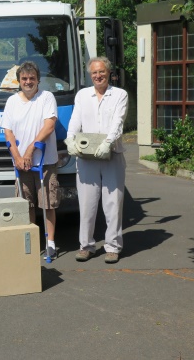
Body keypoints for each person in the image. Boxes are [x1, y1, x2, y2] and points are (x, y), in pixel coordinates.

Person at [65, 56, 128, 264]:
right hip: (86, 157)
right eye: (94, 73)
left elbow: (118, 123)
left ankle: (113, 246)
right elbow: (75, 120)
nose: (98, 76)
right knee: (87, 203)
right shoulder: (83, 95)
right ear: (90, 75)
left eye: (102, 72)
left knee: (113, 203)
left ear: (108, 73)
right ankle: (86, 246)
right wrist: (70, 139)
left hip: (113, 155)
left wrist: (108, 143)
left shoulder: (120, 95)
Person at [1, 61, 60, 260]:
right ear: (18, 81)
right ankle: (31, 240)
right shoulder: (12, 102)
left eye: (32, 78)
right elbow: (7, 132)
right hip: (21, 163)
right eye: (24, 79)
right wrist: (18, 157)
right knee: (27, 204)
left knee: (48, 203)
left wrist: (29, 151)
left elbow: (49, 126)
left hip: (44, 161)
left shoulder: (46, 97)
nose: (28, 82)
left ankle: (50, 242)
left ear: (38, 80)